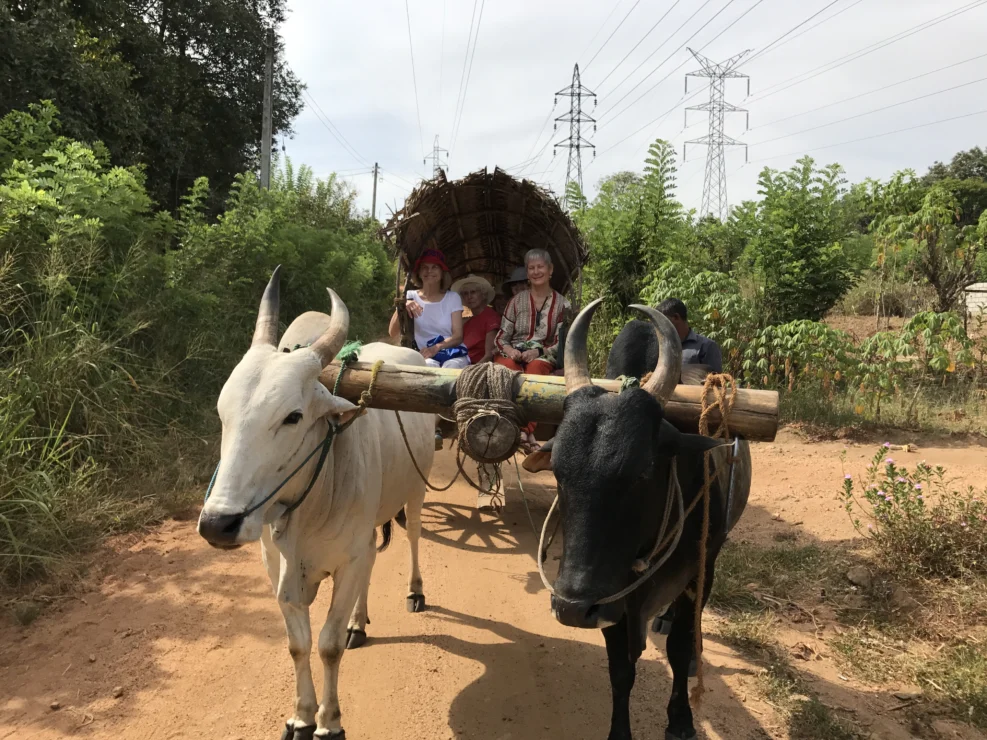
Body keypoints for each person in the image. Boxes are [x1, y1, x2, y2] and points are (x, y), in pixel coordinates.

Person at [495, 248, 570, 452]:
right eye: (531, 268)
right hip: (514, 353)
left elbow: (561, 342)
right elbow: (502, 337)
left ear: (550, 270)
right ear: (527, 273)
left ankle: (523, 429)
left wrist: (539, 352)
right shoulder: (516, 302)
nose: (536, 272)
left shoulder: (563, 304)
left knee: (536, 369)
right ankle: (526, 433)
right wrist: (510, 351)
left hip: (544, 355)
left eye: (540, 267)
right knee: (505, 369)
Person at [389, 248, 470, 370]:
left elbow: (458, 336)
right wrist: (402, 306)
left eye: (435, 267)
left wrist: (436, 348)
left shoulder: (452, 298)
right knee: (428, 369)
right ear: (419, 273)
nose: (429, 271)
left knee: (451, 368)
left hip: (452, 353)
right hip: (425, 356)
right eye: (424, 267)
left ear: (442, 272)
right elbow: (392, 333)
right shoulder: (410, 296)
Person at [657, 297, 723, 373]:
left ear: (676, 317)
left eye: (662, 320)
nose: (659, 326)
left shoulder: (706, 346)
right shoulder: (662, 346)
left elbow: (714, 381)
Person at [453, 273, 499, 366]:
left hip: (478, 368)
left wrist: (470, 371)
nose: (469, 297)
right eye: (465, 293)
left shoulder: (491, 317)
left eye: (473, 292)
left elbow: (489, 355)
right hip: (461, 362)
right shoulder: (467, 321)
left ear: (483, 294)